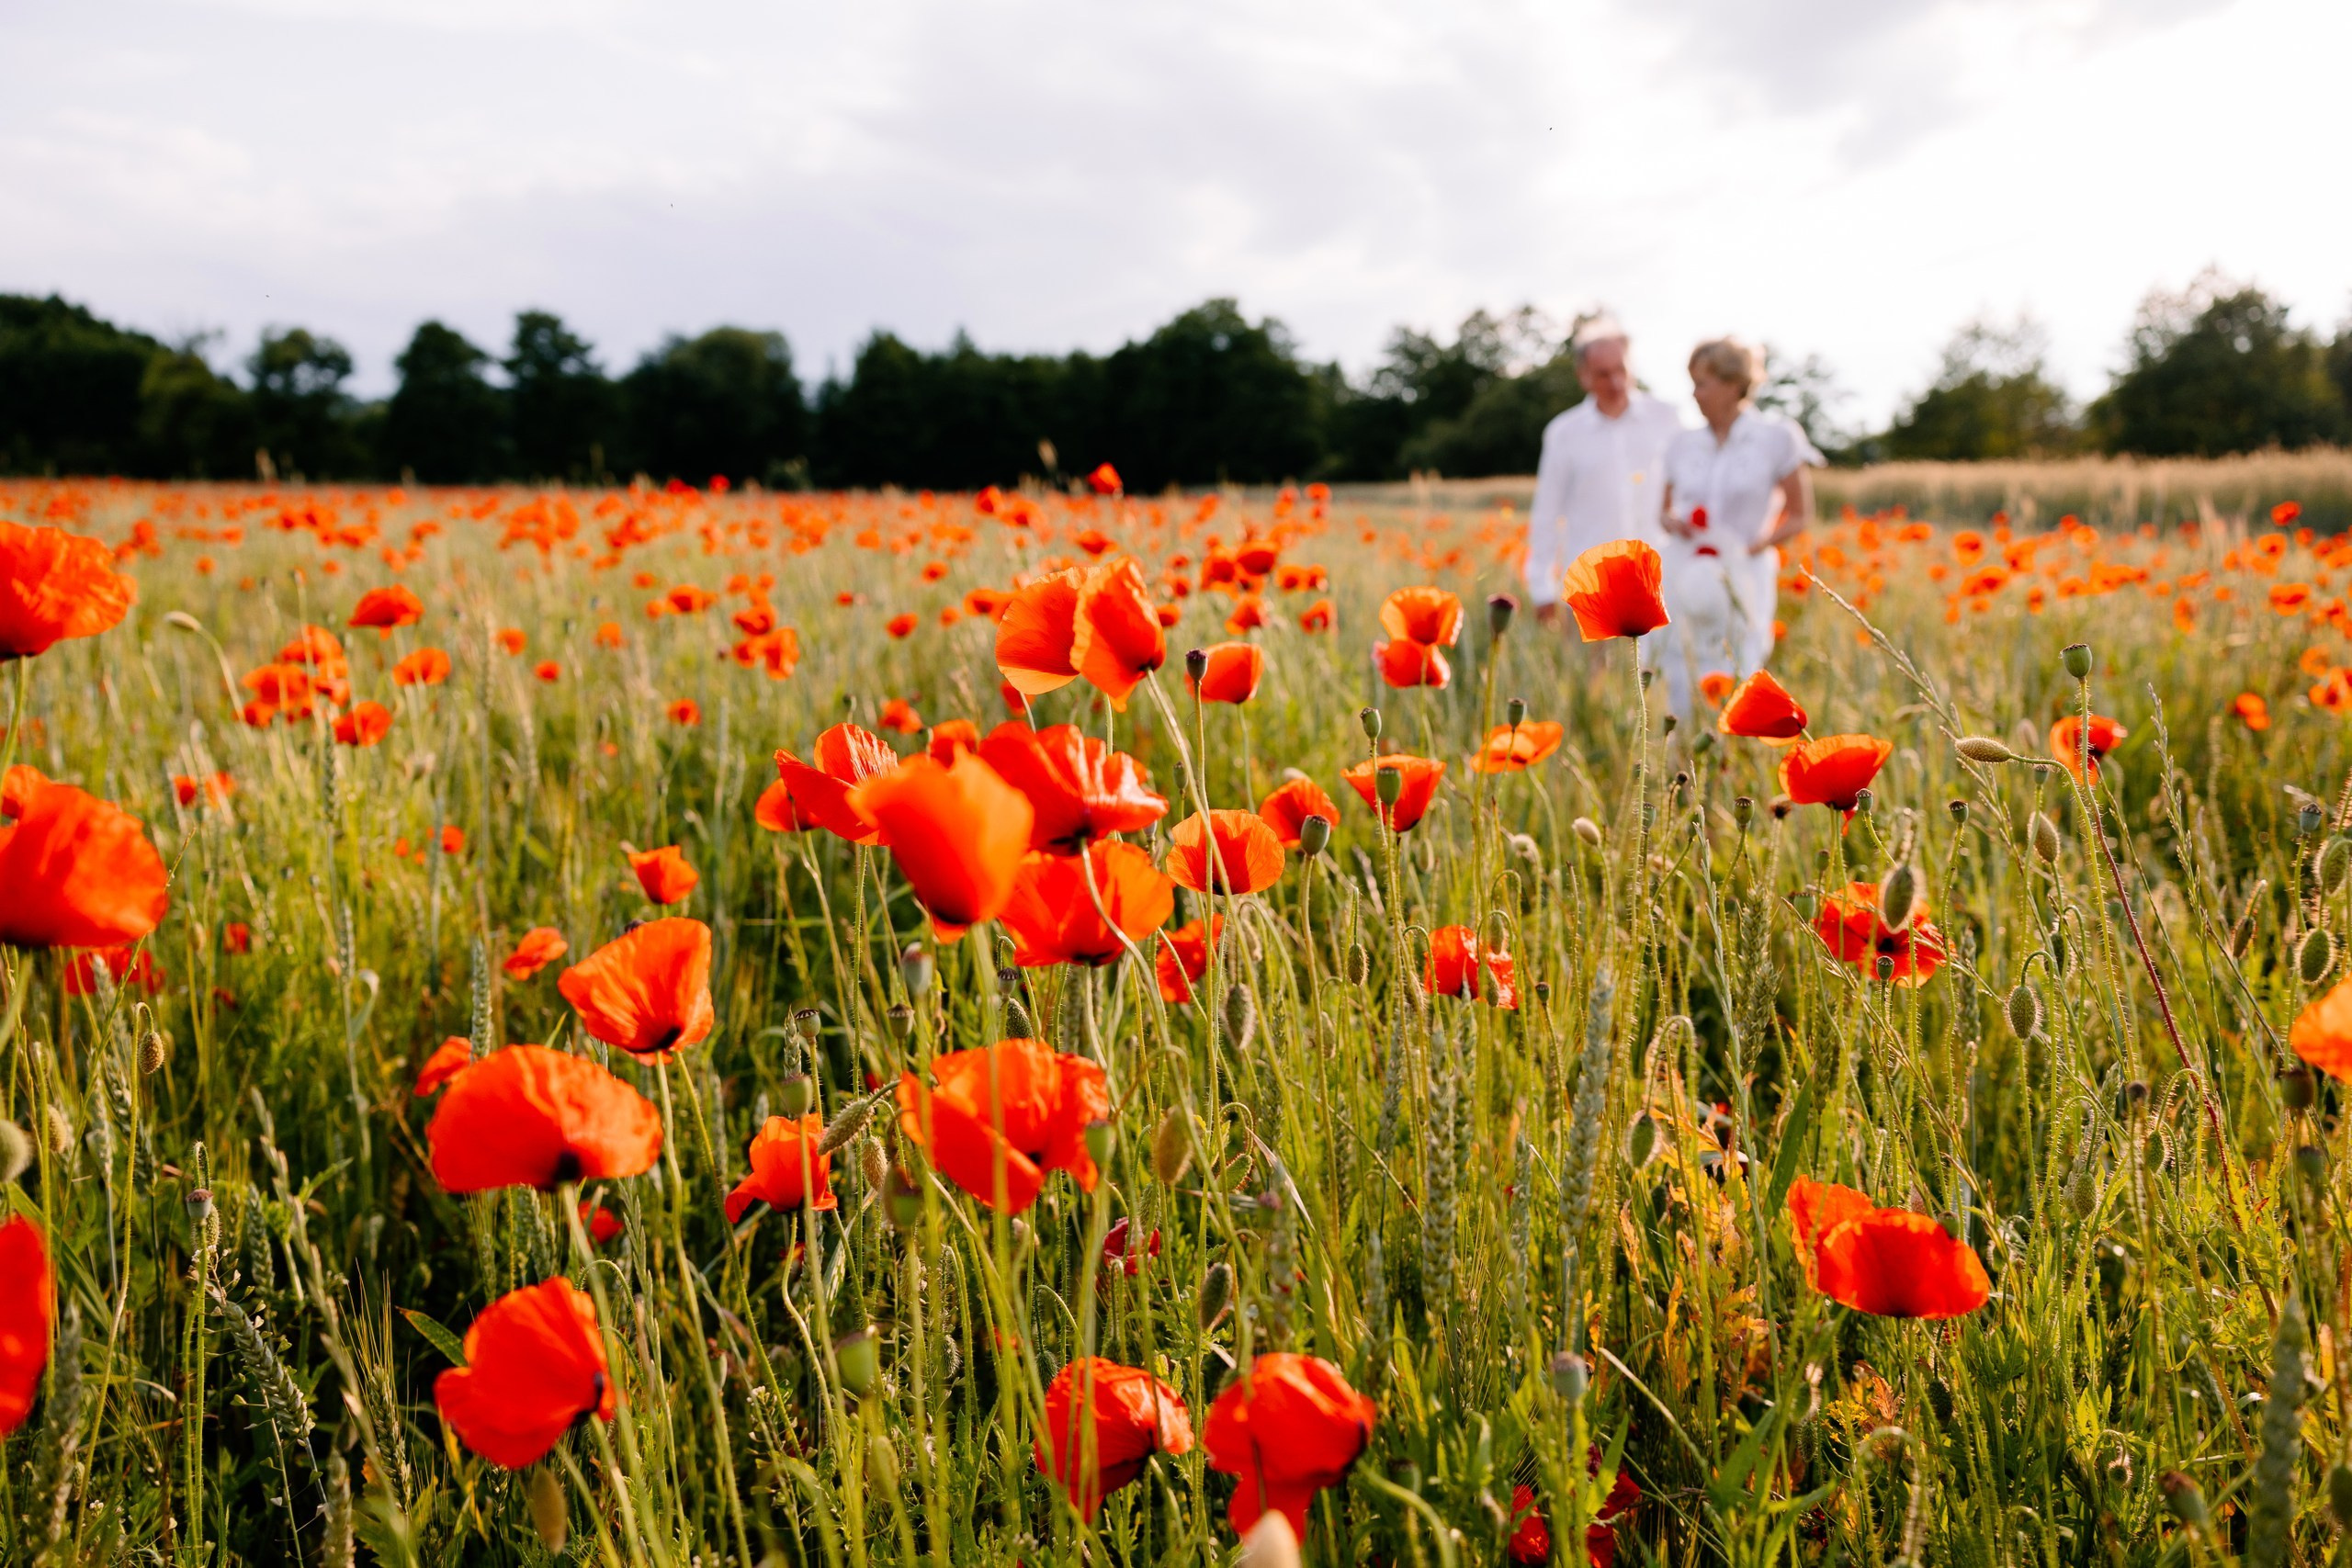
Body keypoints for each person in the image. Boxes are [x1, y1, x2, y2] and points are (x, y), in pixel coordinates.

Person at [1648, 336, 1820, 718]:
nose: (1694, 394)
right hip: (1685, 570)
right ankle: (1685, 762)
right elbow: (1662, 511)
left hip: (1744, 572)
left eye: (1702, 384)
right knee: (1681, 666)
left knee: (1738, 672)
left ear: (1733, 385)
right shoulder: (1681, 443)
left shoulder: (1776, 438)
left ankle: (1728, 762)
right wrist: (1673, 522)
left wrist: (1759, 544)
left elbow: (1799, 514)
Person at [1525, 318, 1685, 629]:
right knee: (1592, 678)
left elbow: (1690, 488)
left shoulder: (1666, 418)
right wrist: (1541, 586)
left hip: (1660, 583)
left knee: (1659, 675)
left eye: (1621, 370)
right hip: (1590, 588)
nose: (1615, 383)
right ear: (1583, 376)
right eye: (1603, 374)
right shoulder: (1563, 433)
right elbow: (1547, 513)